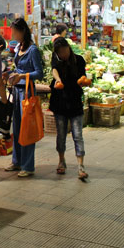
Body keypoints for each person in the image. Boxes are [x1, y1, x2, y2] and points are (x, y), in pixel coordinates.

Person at [5, 18, 44, 178]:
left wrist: (22, 75)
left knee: (27, 128)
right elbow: (18, 67)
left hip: (27, 92)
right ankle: (17, 161)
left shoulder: (33, 50)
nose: (12, 34)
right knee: (17, 128)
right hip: (16, 91)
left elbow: (39, 73)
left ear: (22, 31)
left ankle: (28, 166)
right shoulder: (19, 47)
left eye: (14, 31)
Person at [50, 38, 88, 180]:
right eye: (60, 53)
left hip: (75, 102)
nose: (63, 54)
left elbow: (83, 74)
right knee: (61, 135)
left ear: (68, 48)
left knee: (78, 135)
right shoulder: (56, 59)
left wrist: (83, 80)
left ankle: (81, 166)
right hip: (59, 102)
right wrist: (58, 80)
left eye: (65, 51)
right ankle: (61, 161)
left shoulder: (79, 60)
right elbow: (54, 70)